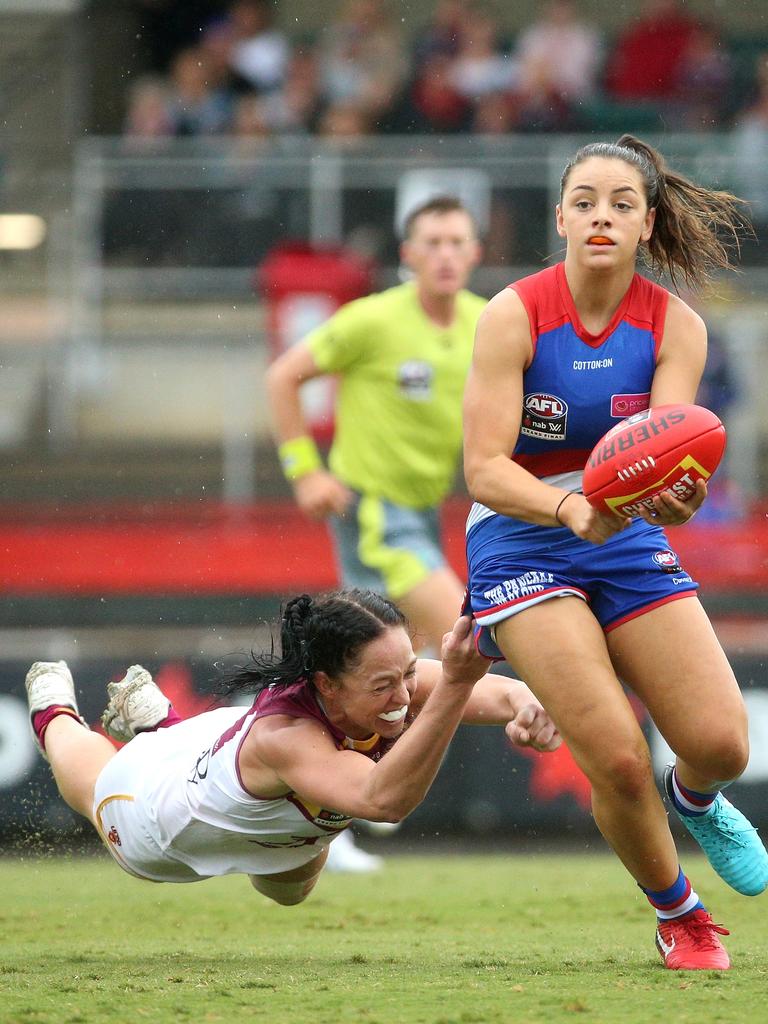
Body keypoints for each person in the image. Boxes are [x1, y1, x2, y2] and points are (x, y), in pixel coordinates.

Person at [462, 134, 767, 972]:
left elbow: (668, 450)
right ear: (560, 216)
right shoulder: (512, 314)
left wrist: (683, 494)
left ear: (647, 222)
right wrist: (567, 506)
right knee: (619, 759)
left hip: (624, 533)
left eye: (622, 204)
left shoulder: (678, 327)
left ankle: (695, 797)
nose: (602, 216)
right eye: (586, 201)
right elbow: (483, 469)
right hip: (522, 534)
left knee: (721, 745)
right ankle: (684, 917)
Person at [24, 590, 559, 900]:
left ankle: (161, 724)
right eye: (383, 686)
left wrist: (529, 705)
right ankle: (54, 711)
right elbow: (384, 801)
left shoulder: (380, 678)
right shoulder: (289, 739)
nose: (403, 695)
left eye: (409, 674)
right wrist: (457, 686)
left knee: (289, 892)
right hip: (156, 826)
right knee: (98, 785)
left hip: (226, 751)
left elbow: (502, 691)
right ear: (326, 683)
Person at [266, 196, 485, 870]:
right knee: (467, 633)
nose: (446, 253)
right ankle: (336, 799)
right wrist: (305, 471)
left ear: (474, 252)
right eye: (433, 242)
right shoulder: (372, 320)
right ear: (409, 256)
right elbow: (284, 376)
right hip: (373, 513)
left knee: (374, 681)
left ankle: (319, 810)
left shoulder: (486, 323)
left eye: (458, 240)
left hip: (426, 513)